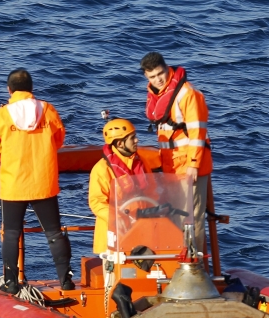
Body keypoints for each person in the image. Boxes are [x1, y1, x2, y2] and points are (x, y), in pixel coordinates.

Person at [0, 68, 73, 293]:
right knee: (53, 233)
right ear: (32, 89)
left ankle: (11, 282)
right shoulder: (47, 109)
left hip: (13, 185)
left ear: (9, 90)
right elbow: (59, 138)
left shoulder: (1, 115)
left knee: (12, 233)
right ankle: (65, 280)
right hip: (44, 182)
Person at [140, 51, 213, 253]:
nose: (157, 80)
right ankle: (178, 262)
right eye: (152, 77)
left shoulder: (187, 94)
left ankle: (196, 269)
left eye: (160, 74)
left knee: (192, 218)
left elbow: (198, 133)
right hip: (171, 165)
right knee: (175, 216)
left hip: (189, 166)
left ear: (167, 69)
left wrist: (193, 165)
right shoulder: (159, 95)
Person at [87, 119, 161, 255]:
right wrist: (117, 219)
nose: (137, 141)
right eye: (132, 138)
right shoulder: (101, 169)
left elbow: (152, 193)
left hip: (141, 233)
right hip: (114, 235)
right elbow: (97, 202)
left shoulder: (142, 163)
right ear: (120, 143)